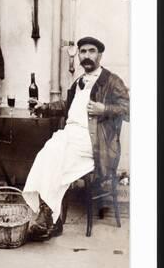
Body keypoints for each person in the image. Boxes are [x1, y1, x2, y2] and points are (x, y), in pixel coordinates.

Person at [23, 36, 130, 241]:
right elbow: (67, 105)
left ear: (99, 55)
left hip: (95, 143)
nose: (87, 56)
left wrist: (104, 109)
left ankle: (50, 219)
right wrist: (44, 107)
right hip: (70, 136)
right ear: (79, 55)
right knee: (47, 154)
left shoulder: (111, 80)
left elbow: (130, 110)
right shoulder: (79, 82)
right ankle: (50, 218)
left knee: (55, 157)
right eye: (83, 52)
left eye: (91, 51)